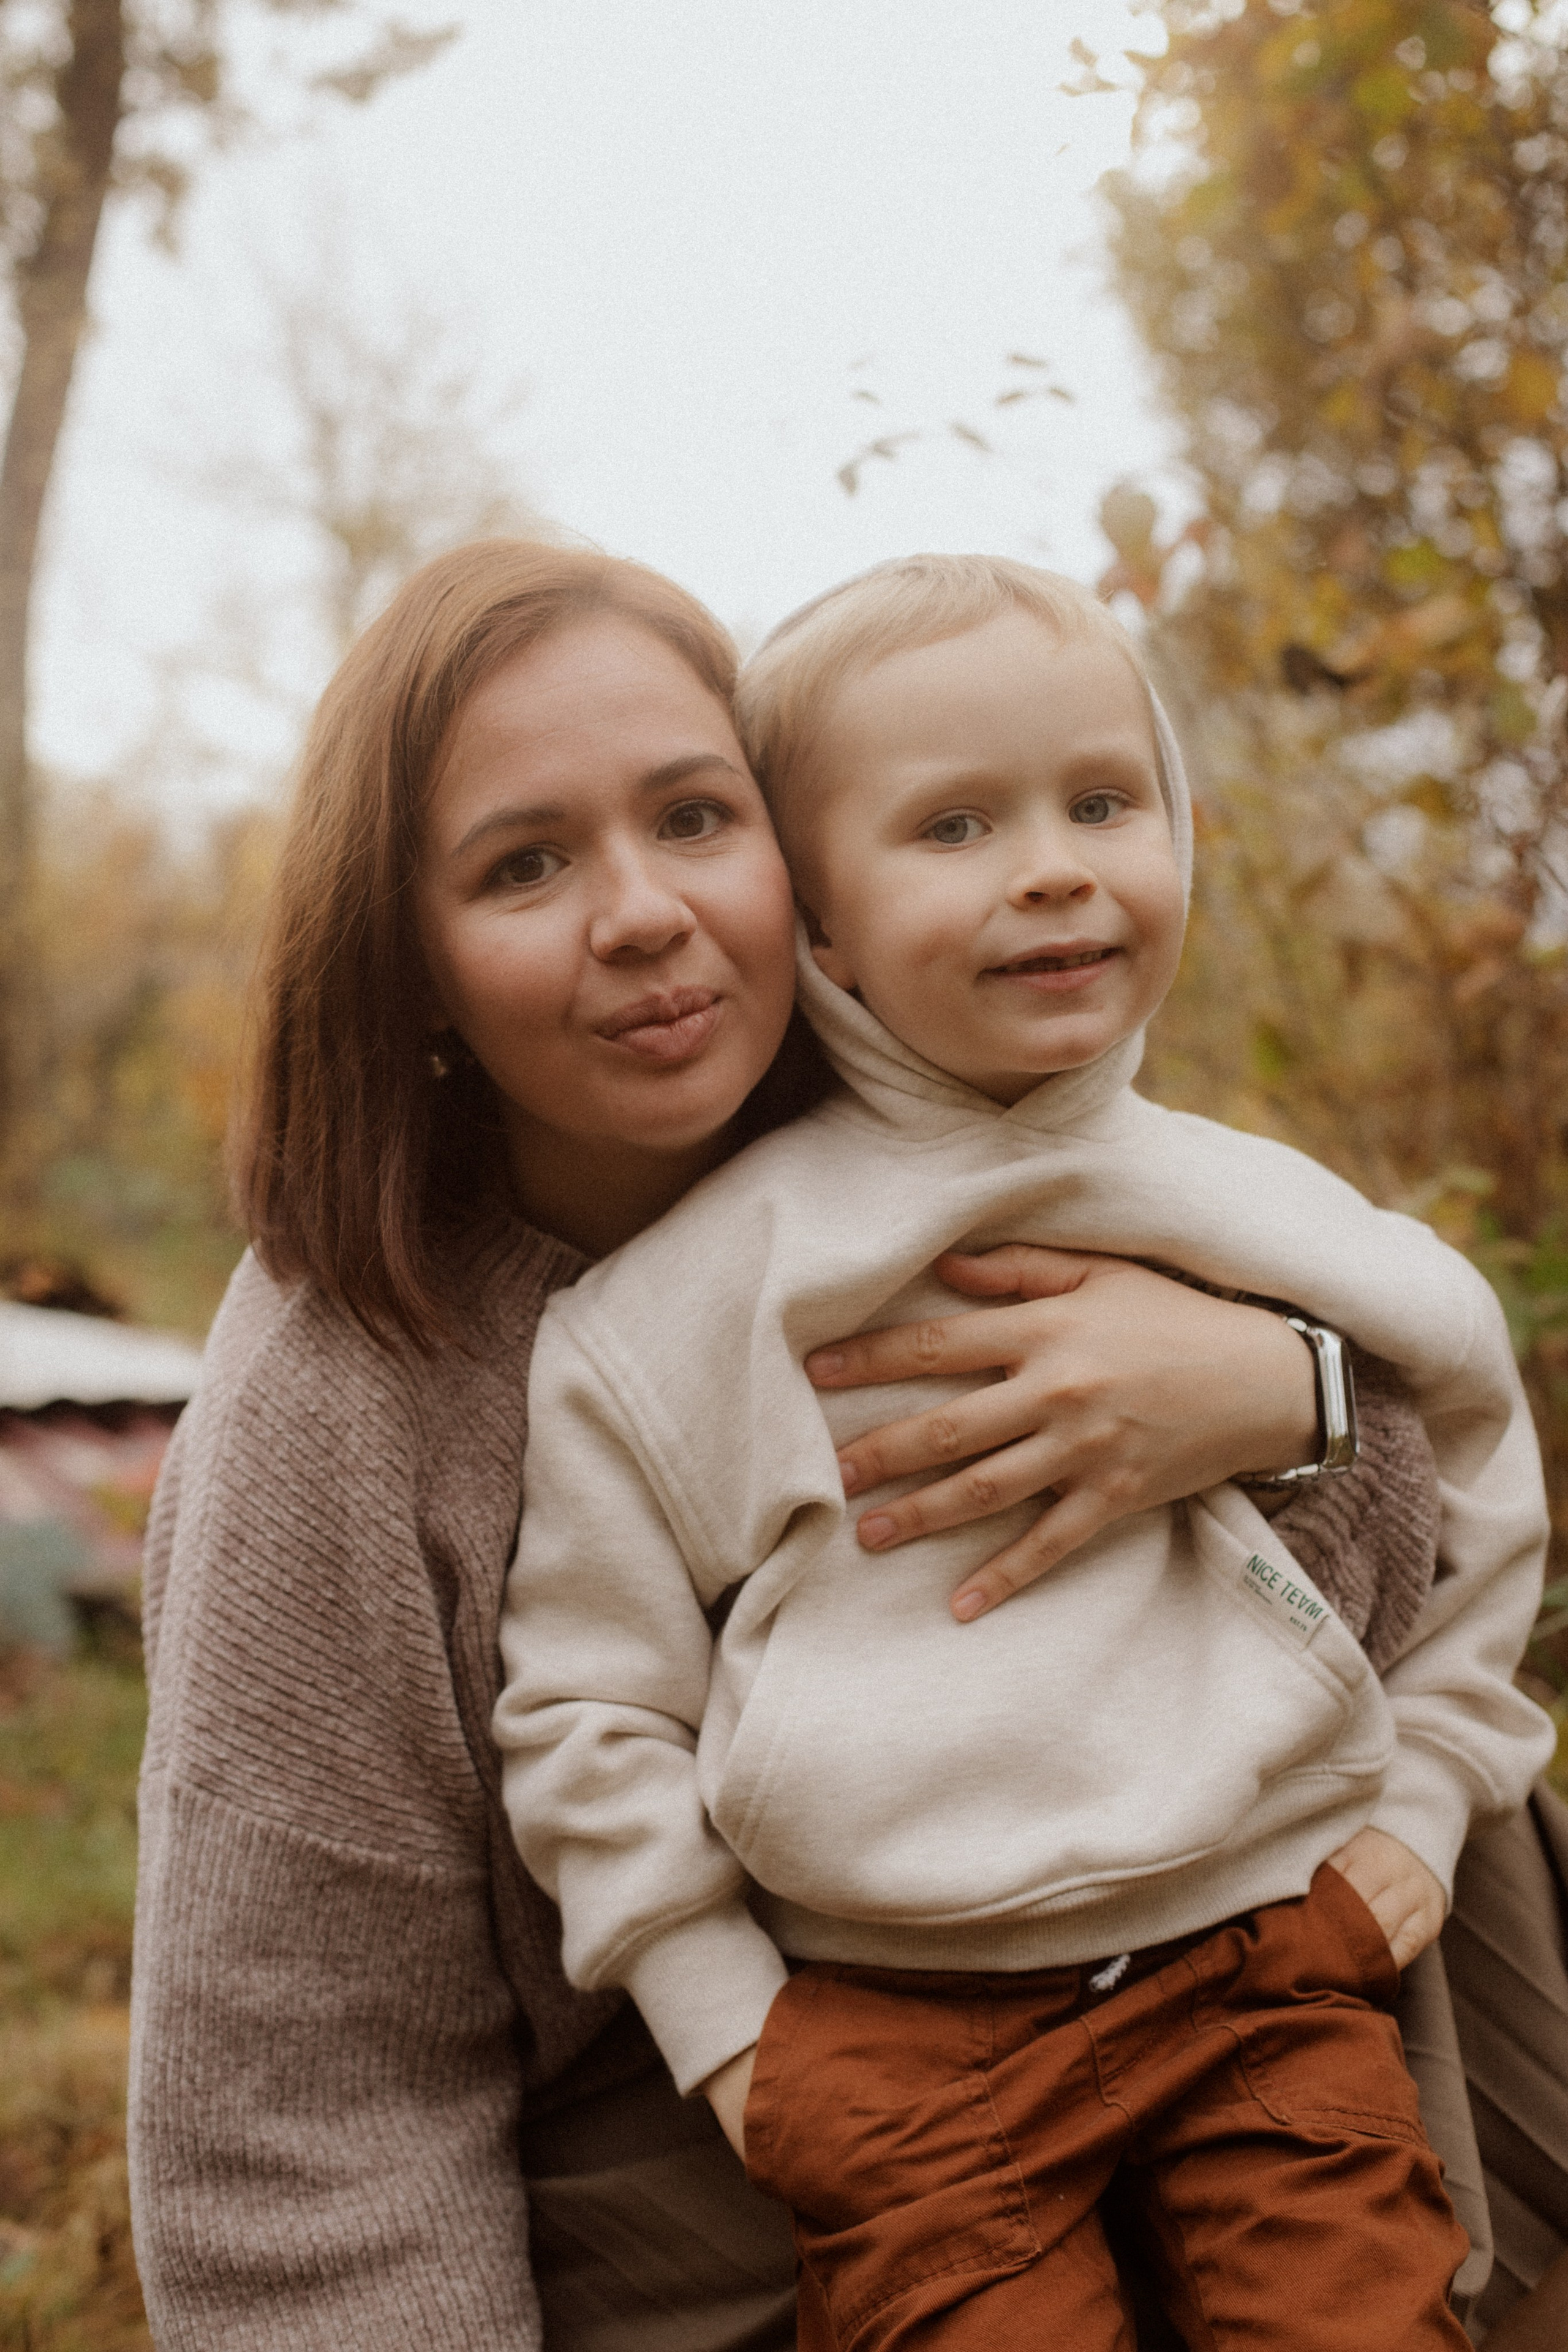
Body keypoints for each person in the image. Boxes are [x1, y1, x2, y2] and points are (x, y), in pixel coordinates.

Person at [127, 538, 1553, 2352]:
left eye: (694, 818)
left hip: (1197, 1959)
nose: (640, 911)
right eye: (525, 863)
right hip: (699, 2092)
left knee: (1477, 1841)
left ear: (796, 861)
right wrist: (745, 2043)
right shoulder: (344, 1388)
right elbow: (306, 2109)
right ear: (406, 960)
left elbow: (1352, 1583)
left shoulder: (958, 1105)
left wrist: (1290, 1397)